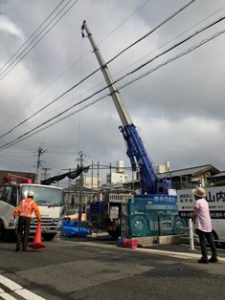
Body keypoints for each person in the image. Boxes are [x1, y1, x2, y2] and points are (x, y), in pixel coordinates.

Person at [192, 187, 218, 264]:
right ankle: (214, 256)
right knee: (210, 240)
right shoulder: (205, 202)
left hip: (201, 224)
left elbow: (194, 213)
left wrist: (192, 218)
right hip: (208, 223)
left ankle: (204, 257)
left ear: (196, 196)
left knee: (202, 241)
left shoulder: (198, 202)